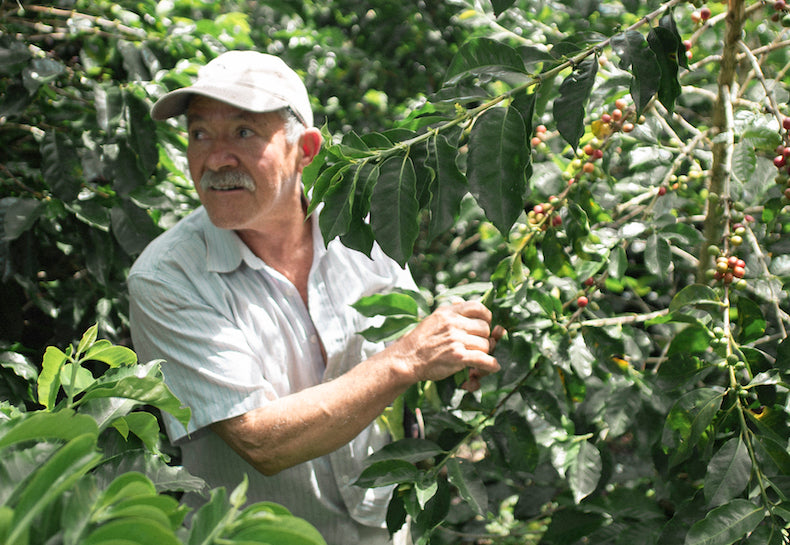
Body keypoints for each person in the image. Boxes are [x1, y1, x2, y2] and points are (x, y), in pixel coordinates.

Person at [128, 50, 502, 545]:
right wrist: (410, 359)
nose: (214, 159)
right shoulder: (167, 276)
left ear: (304, 150)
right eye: (199, 133)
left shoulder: (362, 229)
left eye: (243, 133)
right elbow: (260, 440)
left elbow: (408, 354)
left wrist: (452, 362)